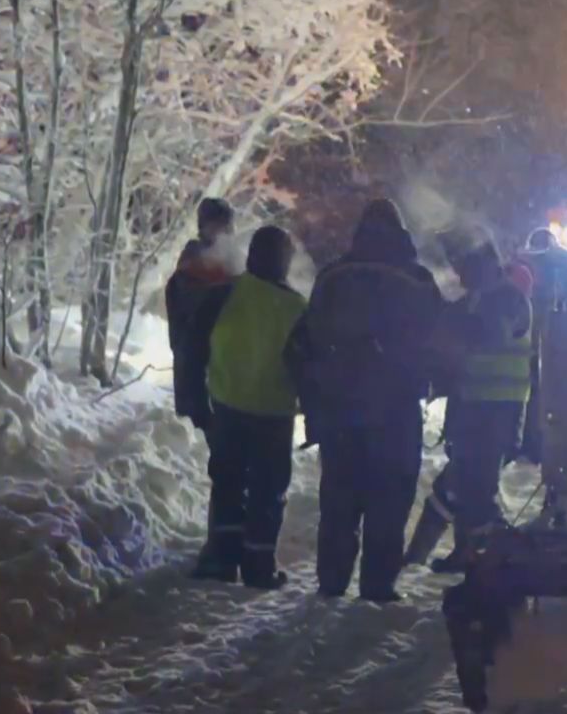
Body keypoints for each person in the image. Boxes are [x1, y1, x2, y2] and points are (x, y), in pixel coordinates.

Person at [284, 199, 444, 602]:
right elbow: (439, 341)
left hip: (341, 411)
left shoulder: (333, 277)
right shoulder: (417, 279)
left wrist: (314, 402)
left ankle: (332, 581)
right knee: (390, 500)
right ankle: (378, 585)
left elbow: (303, 344)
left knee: (339, 498)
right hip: (396, 412)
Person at [175, 225, 307, 590]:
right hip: (275, 416)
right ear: (284, 262)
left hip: (228, 409)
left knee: (228, 484)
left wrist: (194, 403)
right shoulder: (297, 307)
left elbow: (192, 351)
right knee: (268, 491)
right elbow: (308, 366)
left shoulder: (222, 295)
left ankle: (220, 559)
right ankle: (259, 567)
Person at [428, 236, 533, 573]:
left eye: (464, 268)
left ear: (483, 264)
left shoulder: (507, 299)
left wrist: (452, 329)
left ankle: (488, 557)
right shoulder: (477, 299)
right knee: (466, 480)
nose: (460, 277)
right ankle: (468, 551)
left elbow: (487, 334)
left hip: (497, 408)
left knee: (478, 485)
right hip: (474, 402)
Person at [165, 198, 235, 429]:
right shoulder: (193, 259)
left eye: (226, 226)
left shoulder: (230, 260)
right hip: (194, 359)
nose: (223, 231)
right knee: (196, 421)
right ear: (203, 226)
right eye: (217, 225)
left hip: (221, 362)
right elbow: (190, 307)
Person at [514, 227, 567, 464]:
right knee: (543, 394)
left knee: (535, 396)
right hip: (543, 342)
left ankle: (532, 443)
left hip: (534, 346)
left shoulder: (523, 267)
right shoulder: (556, 267)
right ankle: (537, 444)